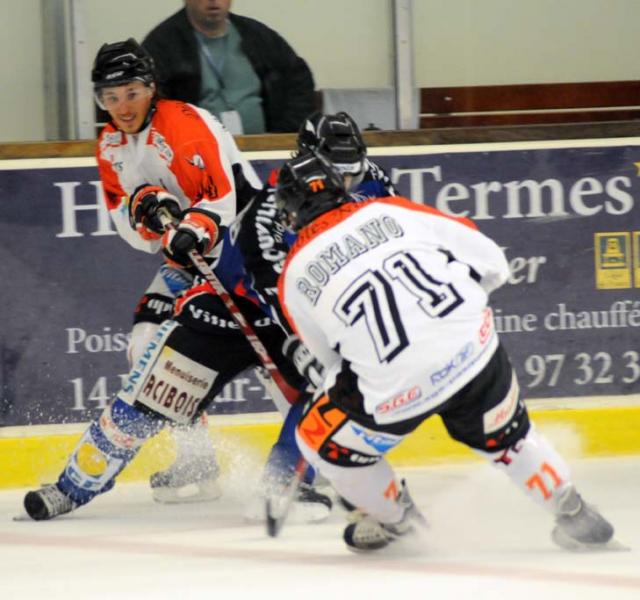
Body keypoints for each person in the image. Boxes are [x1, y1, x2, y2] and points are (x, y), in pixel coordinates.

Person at [19, 38, 323, 521]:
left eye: (132, 92)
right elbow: (125, 220)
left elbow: (223, 199)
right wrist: (147, 218)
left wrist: (191, 227)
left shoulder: (185, 124)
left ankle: (308, 474)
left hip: (248, 256)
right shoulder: (111, 146)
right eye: (110, 97)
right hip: (189, 267)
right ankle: (196, 462)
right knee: (147, 352)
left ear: (151, 88)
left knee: (286, 367)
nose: (122, 106)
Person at [274, 153, 617, 552]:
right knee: (512, 439)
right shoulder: (390, 209)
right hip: (476, 352)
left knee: (317, 442)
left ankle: (398, 520)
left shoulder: (294, 272)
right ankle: (572, 511)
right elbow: (492, 261)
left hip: (395, 387)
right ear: (340, 186)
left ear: (291, 211)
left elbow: (329, 361)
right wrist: (453, 325)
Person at [142, 0, 315, 134]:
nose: (213, 0)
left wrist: (283, 134)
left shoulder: (257, 36)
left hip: (263, 151)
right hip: (198, 158)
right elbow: (147, 102)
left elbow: (298, 80)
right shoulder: (162, 44)